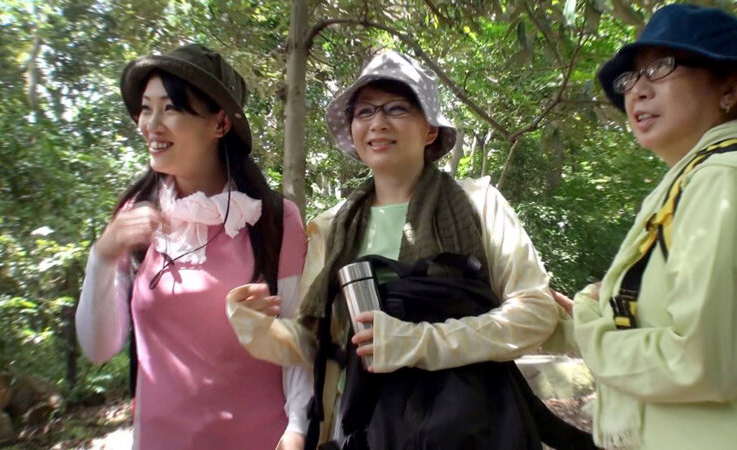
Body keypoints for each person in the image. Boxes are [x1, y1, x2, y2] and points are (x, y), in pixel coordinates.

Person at [226, 50, 559, 447]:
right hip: (366, 428)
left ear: (430, 130)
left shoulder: (480, 205)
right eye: (364, 112)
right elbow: (319, 343)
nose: (378, 122)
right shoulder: (333, 227)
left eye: (397, 108)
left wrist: (417, 342)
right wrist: (257, 328)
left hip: (470, 426)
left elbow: (535, 313)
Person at [548, 4, 737, 449]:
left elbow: (704, 366)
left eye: (662, 67)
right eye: (630, 78)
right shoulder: (691, 182)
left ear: (729, 89)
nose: (637, 90)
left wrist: (590, 325)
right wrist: (568, 321)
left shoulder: (726, 179)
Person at [75, 44, 310, 450]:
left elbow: (297, 342)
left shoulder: (273, 220)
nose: (151, 124)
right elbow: (98, 348)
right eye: (145, 109)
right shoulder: (134, 216)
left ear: (220, 122)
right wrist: (102, 256)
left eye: (170, 108)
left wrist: (298, 431)